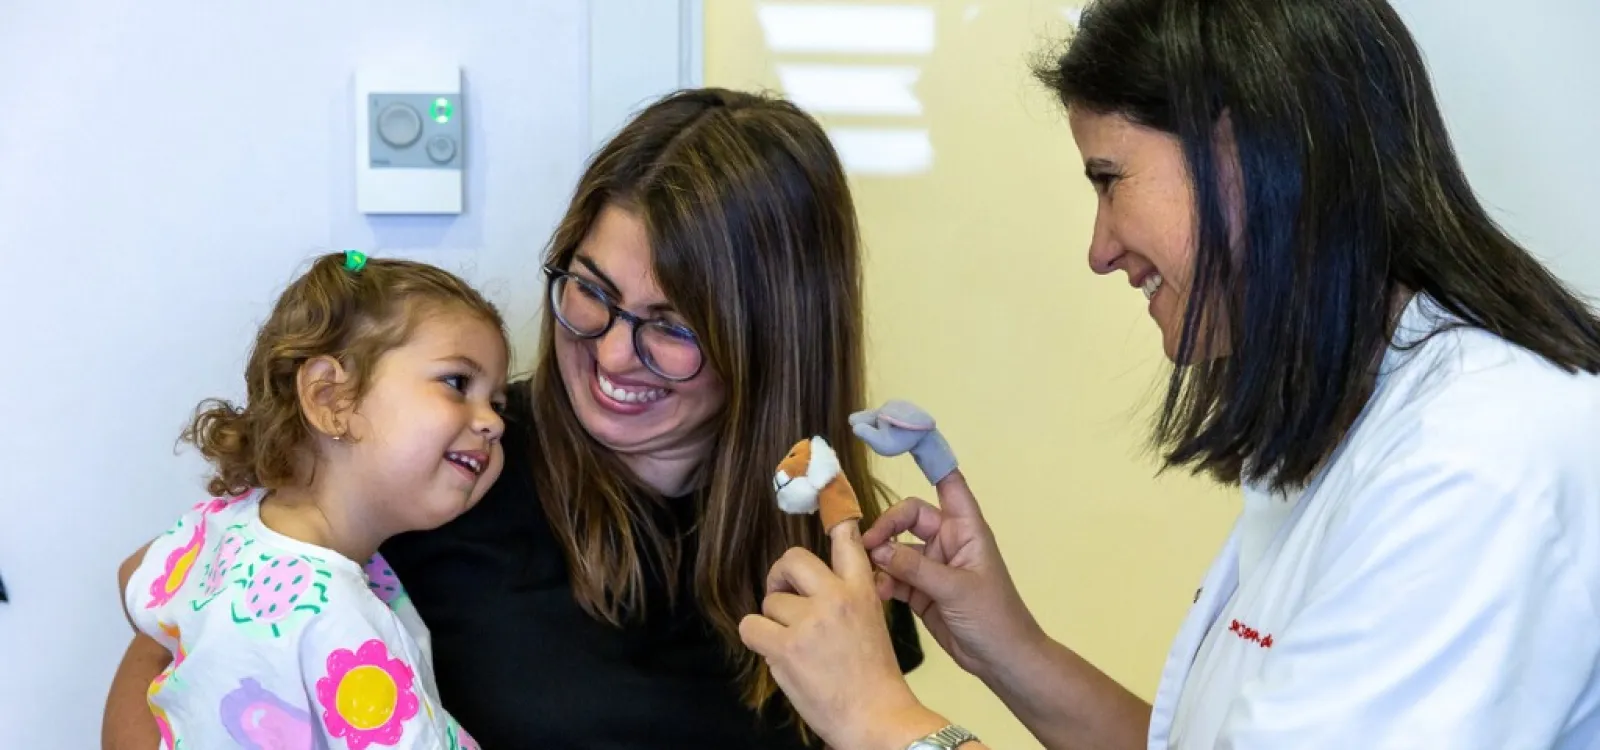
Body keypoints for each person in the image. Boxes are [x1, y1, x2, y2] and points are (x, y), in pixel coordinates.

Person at [739, 0, 1600, 748]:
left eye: (1110, 179)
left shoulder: (1475, 465)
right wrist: (1007, 646)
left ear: (1246, 151)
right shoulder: (1365, 433)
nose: (1100, 249)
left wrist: (879, 717)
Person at [103, 87, 922, 749]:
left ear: (772, 342)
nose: (611, 355)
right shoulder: (438, 473)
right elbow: (172, 664)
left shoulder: (838, 554)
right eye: (592, 292)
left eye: (671, 327)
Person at [116, 251, 507, 748]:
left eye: (497, 403)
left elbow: (134, 576)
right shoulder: (338, 618)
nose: (494, 422)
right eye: (457, 383)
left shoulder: (232, 520)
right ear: (330, 399)